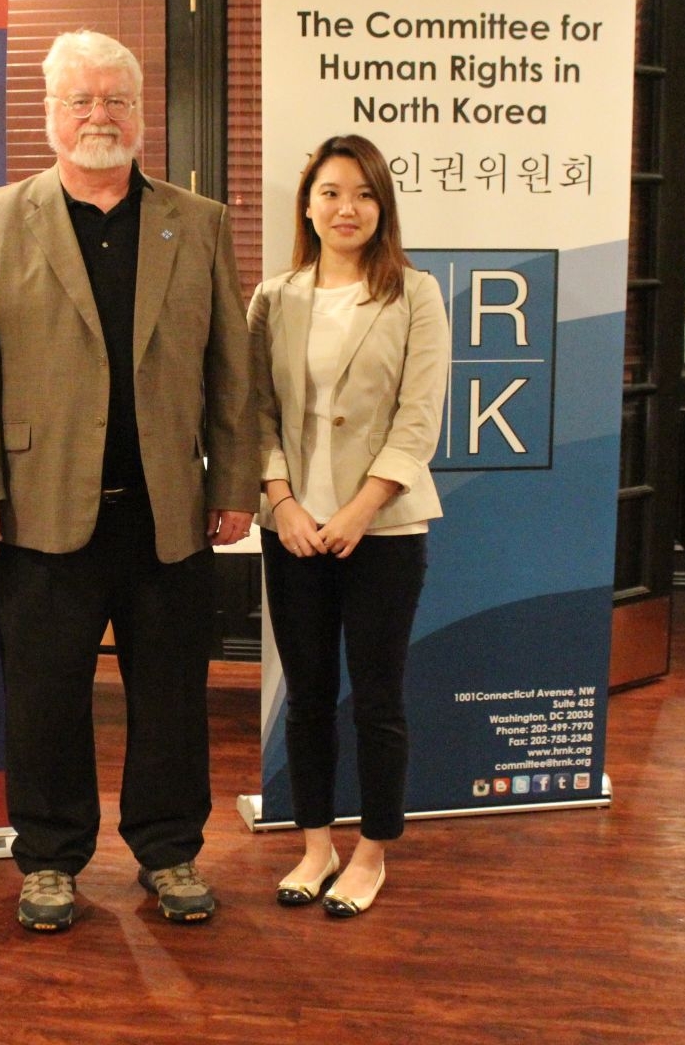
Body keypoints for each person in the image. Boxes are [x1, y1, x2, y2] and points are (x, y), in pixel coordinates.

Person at [0, 30, 258, 932]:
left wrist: (235, 482)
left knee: (172, 698)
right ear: (50, 113)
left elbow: (232, 366)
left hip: (168, 510)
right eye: (80, 99)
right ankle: (49, 860)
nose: (99, 115)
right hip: (39, 508)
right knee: (44, 700)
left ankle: (170, 852)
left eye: (116, 98)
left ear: (140, 110)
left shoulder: (197, 221)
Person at [246, 133, 450, 917]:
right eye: (331, 192)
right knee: (307, 697)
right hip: (293, 531)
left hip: (384, 531)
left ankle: (371, 853)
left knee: (377, 699)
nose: (347, 208)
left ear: (382, 207)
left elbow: (418, 418)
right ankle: (315, 847)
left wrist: (361, 510)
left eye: (364, 194)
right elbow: (255, 413)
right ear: (307, 204)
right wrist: (283, 502)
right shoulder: (274, 297)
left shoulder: (416, 294)